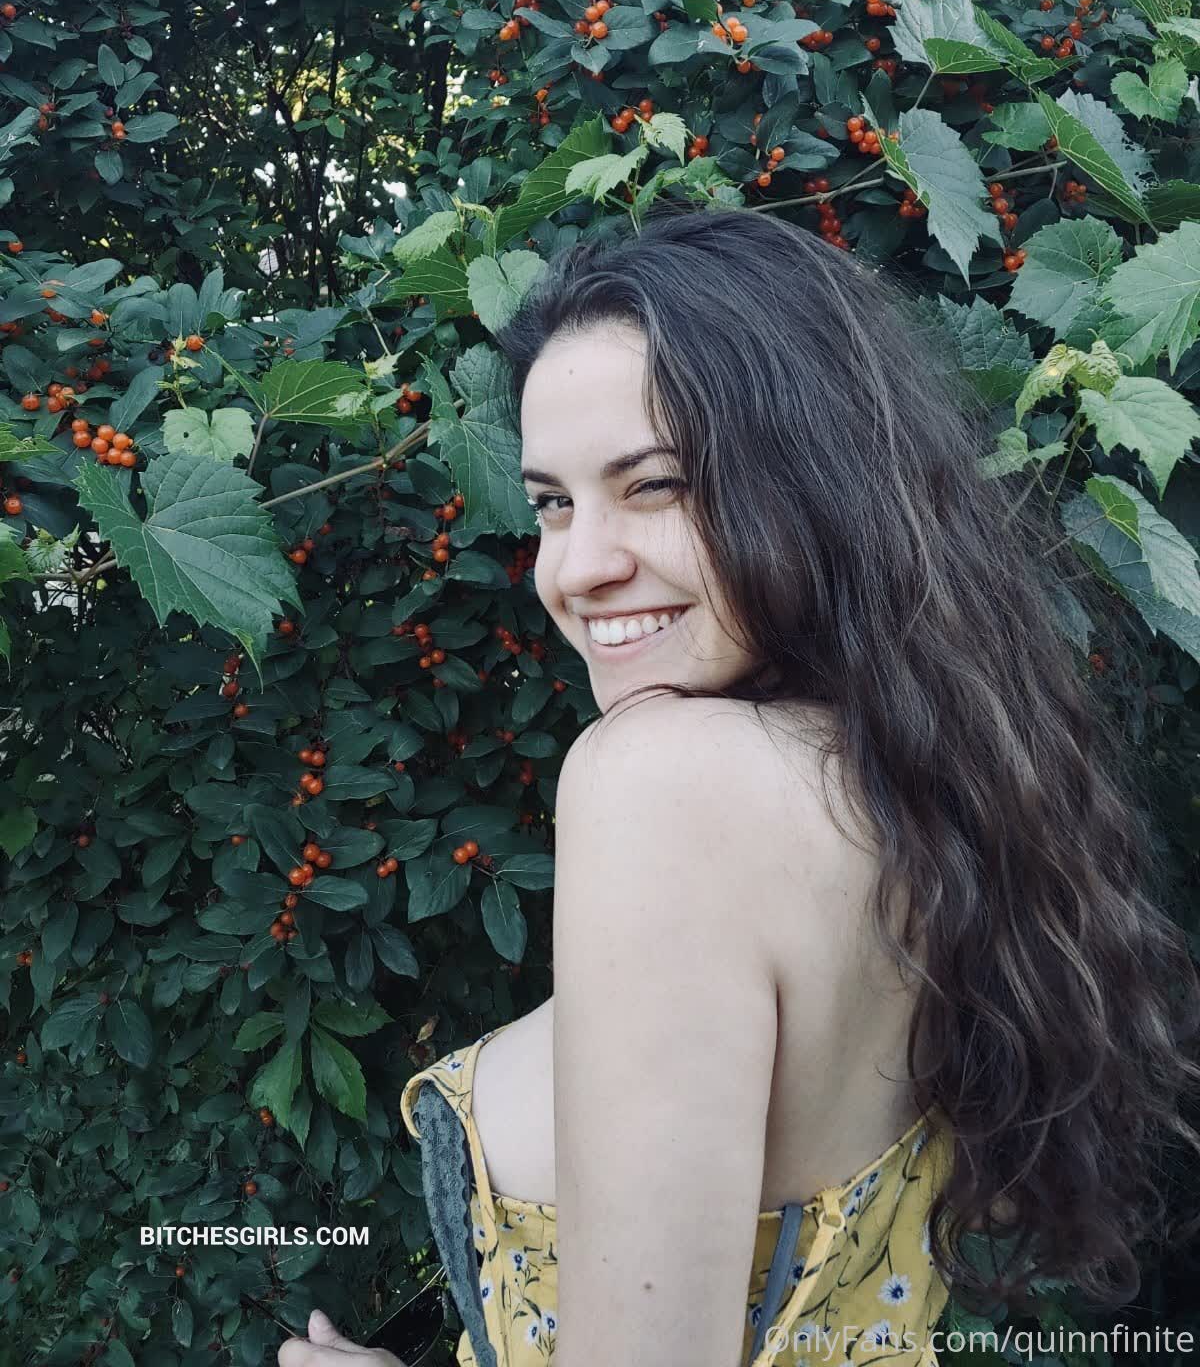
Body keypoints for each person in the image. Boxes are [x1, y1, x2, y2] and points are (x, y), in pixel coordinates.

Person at [282, 206, 1200, 1367]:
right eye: (555, 501)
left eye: (655, 484)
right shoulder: (919, 779)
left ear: (813, 479)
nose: (577, 567)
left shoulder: (664, 784)